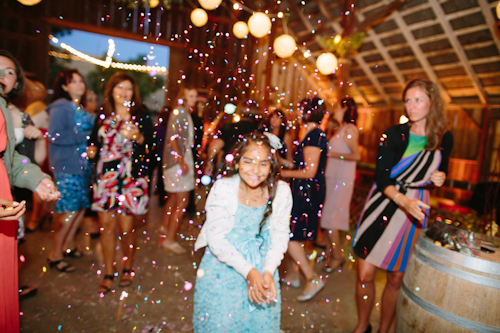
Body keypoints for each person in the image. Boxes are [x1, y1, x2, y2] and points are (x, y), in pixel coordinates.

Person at [351, 79, 453, 333]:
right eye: (407, 100)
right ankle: (363, 326)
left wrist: (439, 179)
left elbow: (440, 172)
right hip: (383, 202)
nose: (411, 106)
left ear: (433, 102)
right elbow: (382, 177)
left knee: (396, 278)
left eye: (417, 100)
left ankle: (385, 330)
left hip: (415, 207)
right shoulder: (394, 134)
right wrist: (402, 201)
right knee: (364, 273)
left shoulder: (444, 137)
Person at [193, 131, 293, 332]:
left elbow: (280, 236)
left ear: (271, 166)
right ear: (237, 163)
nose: (255, 170)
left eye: (263, 163)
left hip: (262, 265)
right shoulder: (223, 188)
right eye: (248, 162)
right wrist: (249, 272)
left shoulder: (281, 192)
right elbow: (216, 239)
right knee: (222, 323)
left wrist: (268, 271)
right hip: (224, 267)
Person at [0, 50, 59, 333]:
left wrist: (37, 179)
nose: (2, 75)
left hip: (9, 194)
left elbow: (13, 159)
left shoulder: (19, 115)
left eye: (9, 71)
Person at [88, 71, 153, 294]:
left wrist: (138, 138)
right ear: (112, 90)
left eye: (128, 88)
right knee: (106, 228)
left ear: (134, 92)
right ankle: (108, 271)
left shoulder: (142, 116)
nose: (124, 92)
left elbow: (150, 151)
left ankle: (127, 266)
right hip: (105, 178)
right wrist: (91, 151)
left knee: (126, 229)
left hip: (131, 178)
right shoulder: (103, 114)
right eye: (120, 87)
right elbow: (94, 142)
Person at [46, 68, 95, 273]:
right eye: (73, 82)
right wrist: (85, 136)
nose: (79, 85)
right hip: (67, 166)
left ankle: (69, 245)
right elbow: (56, 136)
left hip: (82, 166)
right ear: (64, 86)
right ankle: (55, 254)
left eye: (80, 81)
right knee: (69, 209)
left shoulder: (77, 107)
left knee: (81, 208)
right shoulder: (60, 107)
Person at [281, 96, 328, 302]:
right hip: (305, 190)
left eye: (300, 110)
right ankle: (294, 275)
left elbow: (309, 172)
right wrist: (285, 163)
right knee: (296, 233)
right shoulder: (311, 134)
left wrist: (285, 174)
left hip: (306, 192)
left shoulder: (314, 136)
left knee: (289, 235)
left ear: (307, 112)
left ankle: (311, 278)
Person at [320, 97, 360, 272]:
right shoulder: (341, 129)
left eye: (337, 107)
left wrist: (332, 154)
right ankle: (331, 253)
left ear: (345, 109)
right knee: (326, 219)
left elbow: (356, 155)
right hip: (333, 178)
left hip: (341, 180)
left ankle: (337, 256)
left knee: (331, 220)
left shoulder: (350, 130)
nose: (334, 109)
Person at [160, 85, 197, 254]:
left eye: (195, 96)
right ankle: (169, 238)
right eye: (191, 96)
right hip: (177, 162)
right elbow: (173, 139)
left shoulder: (181, 112)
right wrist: (181, 162)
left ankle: (165, 229)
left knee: (174, 199)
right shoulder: (181, 112)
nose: (194, 99)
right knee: (182, 202)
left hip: (175, 161)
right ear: (183, 97)